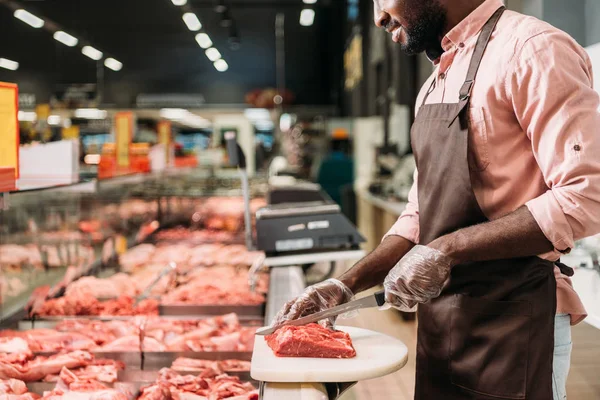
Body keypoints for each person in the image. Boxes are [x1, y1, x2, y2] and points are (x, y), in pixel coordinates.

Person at [272, 0, 600, 399]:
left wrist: (445, 250)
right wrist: (344, 284)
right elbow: (417, 217)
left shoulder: (532, 48)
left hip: (515, 319)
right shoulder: (434, 83)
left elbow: (586, 194)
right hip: (442, 322)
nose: (378, 16)